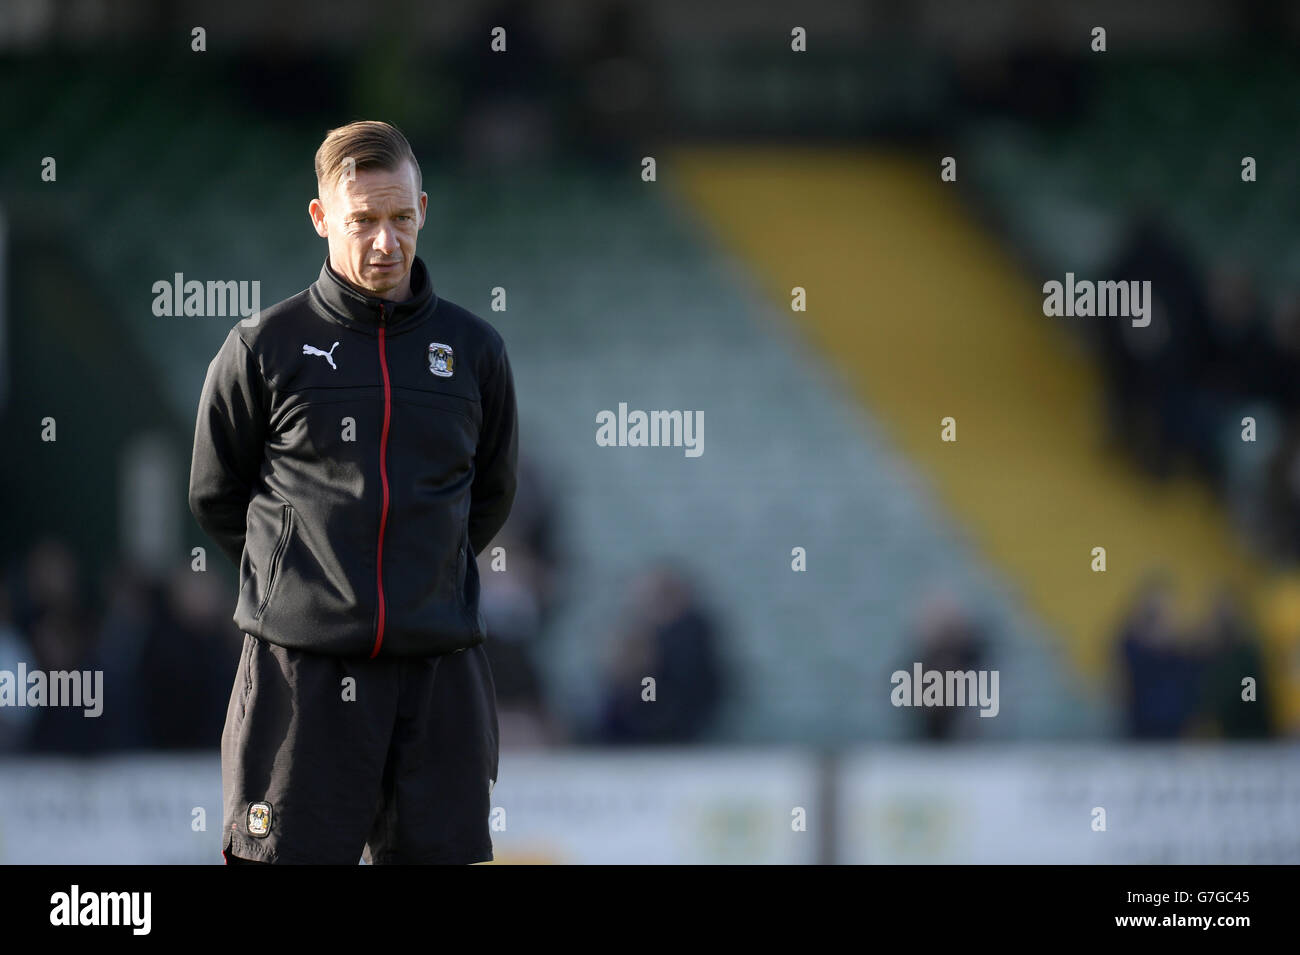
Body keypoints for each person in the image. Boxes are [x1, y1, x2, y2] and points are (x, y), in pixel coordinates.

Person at [188, 121, 518, 864]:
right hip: (299, 681)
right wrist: (300, 580)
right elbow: (216, 492)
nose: (384, 242)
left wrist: (417, 578)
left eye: (400, 218)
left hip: (439, 680)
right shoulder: (262, 348)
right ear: (321, 218)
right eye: (362, 220)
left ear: (423, 209)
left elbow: (489, 497)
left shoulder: (475, 353)